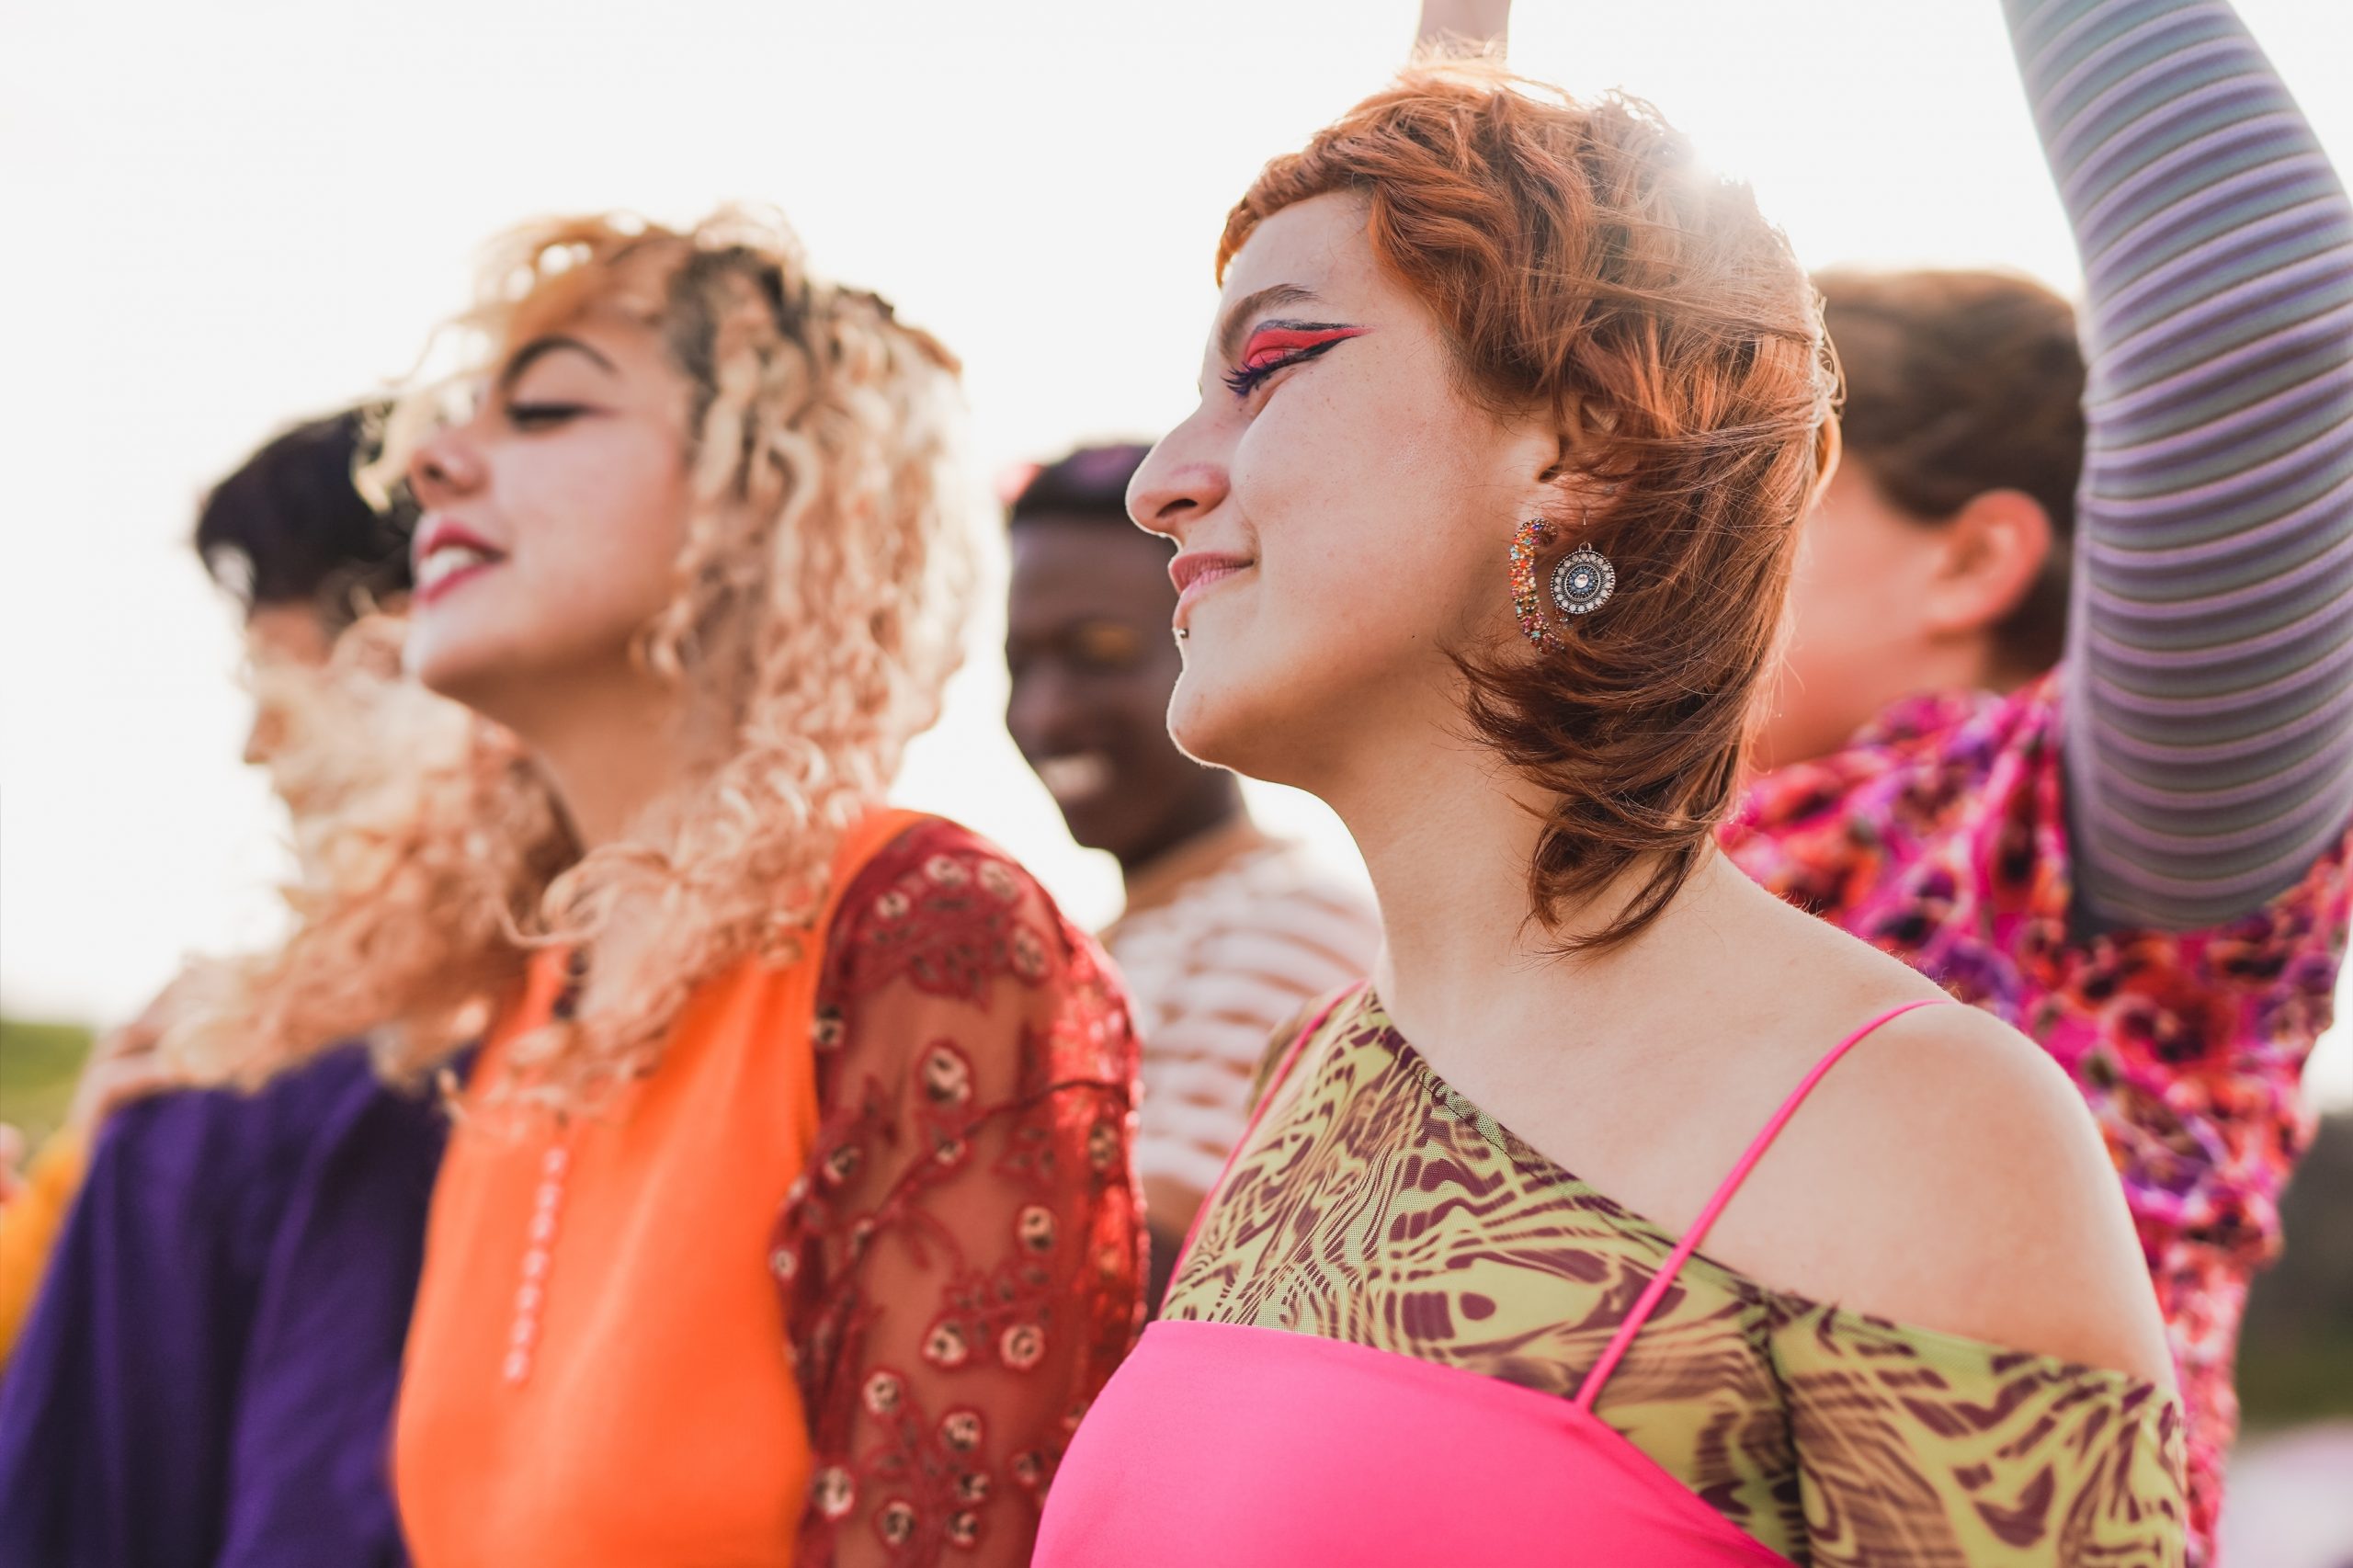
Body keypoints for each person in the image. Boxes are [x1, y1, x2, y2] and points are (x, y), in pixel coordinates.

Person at [1037, 51, 2186, 1568]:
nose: (1168, 482)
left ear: (1578, 465)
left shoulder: (1912, 1129)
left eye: (1274, 363)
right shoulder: (1306, 1082)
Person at [158, 210, 1142, 1566]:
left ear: (767, 497)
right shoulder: (523, 998)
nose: (435, 465)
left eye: (549, 408)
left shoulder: (923, 931)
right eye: (454, 423)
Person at [1713, 3, 2353, 1554]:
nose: (1648, 532)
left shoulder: (2072, 827)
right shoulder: (1615, 856)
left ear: (1979, 556)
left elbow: (2254, 332)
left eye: (1742, 477)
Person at [0, 406, 445, 1568]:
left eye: (277, 677)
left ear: (394, 652)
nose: (256, 743)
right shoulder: (209, 1054)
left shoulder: (316, 1077)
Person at [1004, 442, 1381, 1301]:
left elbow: (1147, 1283)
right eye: (1021, 663)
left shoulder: (1295, 919)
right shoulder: (1095, 947)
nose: (1045, 712)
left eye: (1099, 651)